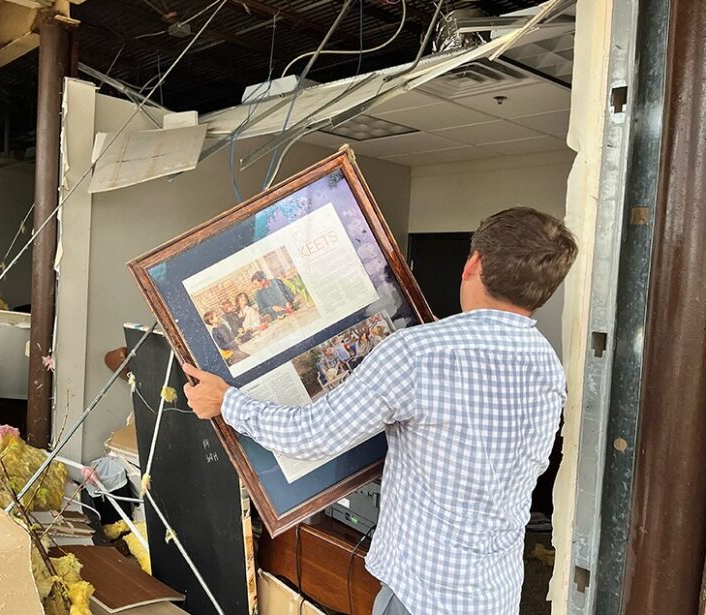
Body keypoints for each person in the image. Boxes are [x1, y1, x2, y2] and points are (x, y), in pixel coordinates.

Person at [182, 208, 578, 615]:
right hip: (495, 595)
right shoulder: (548, 366)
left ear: (473, 263)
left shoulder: (416, 353)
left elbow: (311, 435)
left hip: (421, 597)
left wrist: (227, 401)